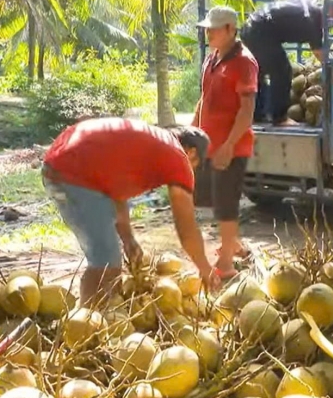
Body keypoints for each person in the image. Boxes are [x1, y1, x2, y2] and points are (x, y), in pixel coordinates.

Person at [41, 117, 220, 306]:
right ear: (191, 152)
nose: (192, 170)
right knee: (106, 264)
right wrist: (204, 267)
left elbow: (116, 191)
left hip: (60, 162)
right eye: (197, 164)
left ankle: (93, 315)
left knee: (106, 260)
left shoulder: (154, 142)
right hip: (74, 173)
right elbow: (186, 227)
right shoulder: (177, 156)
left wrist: (128, 238)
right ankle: (88, 324)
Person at [193, 6, 258, 280]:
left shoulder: (244, 62)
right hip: (209, 143)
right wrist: (192, 133)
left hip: (231, 147)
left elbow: (246, 110)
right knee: (208, 198)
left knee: (226, 203)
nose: (208, 33)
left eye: (213, 29)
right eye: (206, 28)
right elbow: (204, 98)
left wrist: (230, 145)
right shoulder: (212, 59)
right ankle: (234, 243)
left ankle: (227, 266)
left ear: (231, 29)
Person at [240, 0, 326, 126]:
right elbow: (319, 54)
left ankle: (257, 115)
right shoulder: (314, 20)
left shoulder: (305, 5)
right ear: (330, 12)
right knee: (282, 70)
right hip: (261, 32)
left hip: (249, 27)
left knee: (259, 72)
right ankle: (279, 118)